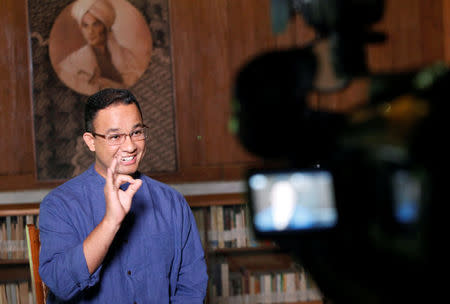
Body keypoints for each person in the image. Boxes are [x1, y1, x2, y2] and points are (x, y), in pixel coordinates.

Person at [38, 88, 208, 303]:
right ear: (90, 141)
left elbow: (192, 286)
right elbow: (61, 284)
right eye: (115, 136)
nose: (130, 146)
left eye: (136, 132)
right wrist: (110, 222)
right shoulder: (59, 205)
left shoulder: (172, 202)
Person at [56, 0, 141, 95]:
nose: (90, 32)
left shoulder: (127, 56)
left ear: (105, 27)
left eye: (95, 24)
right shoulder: (72, 63)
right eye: (85, 26)